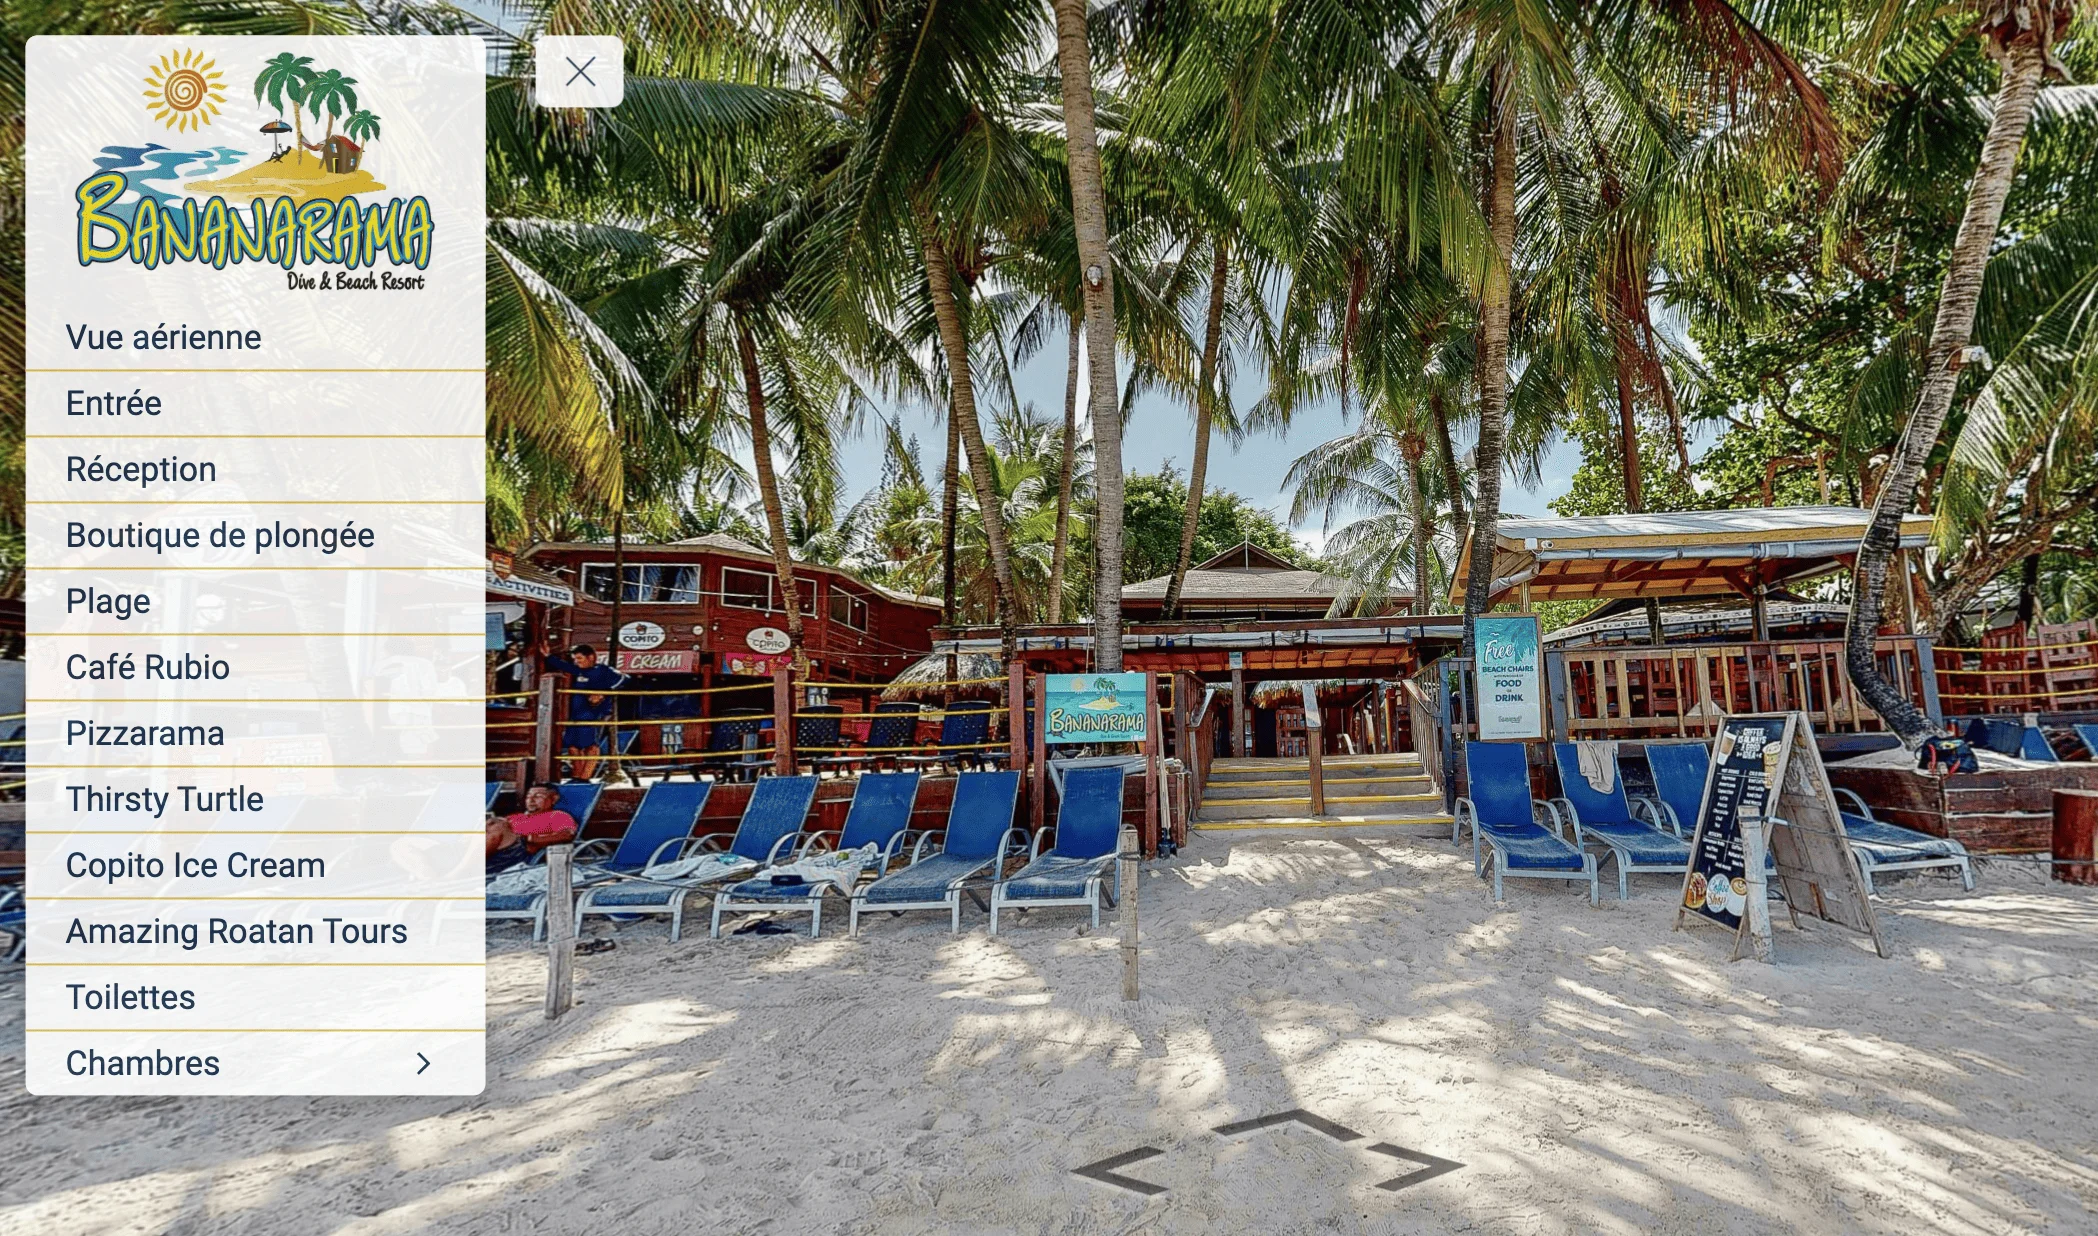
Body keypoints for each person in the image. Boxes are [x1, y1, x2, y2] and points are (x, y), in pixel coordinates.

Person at [540, 641, 628, 781]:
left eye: (580, 658)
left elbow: (625, 679)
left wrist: (604, 692)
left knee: (591, 745)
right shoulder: (579, 671)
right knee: (573, 746)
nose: (577, 662)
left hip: (593, 713)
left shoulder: (603, 670)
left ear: (591, 657)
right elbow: (564, 666)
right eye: (575, 659)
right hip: (576, 713)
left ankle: (585, 777)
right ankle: (577, 776)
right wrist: (548, 656)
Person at [486, 784, 578, 875]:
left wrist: (535, 839)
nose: (531, 800)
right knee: (492, 822)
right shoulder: (517, 817)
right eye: (528, 797)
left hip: (519, 851)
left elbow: (567, 834)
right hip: (497, 846)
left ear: (554, 799)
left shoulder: (558, 816)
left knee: (498, 826)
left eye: (538, 796)